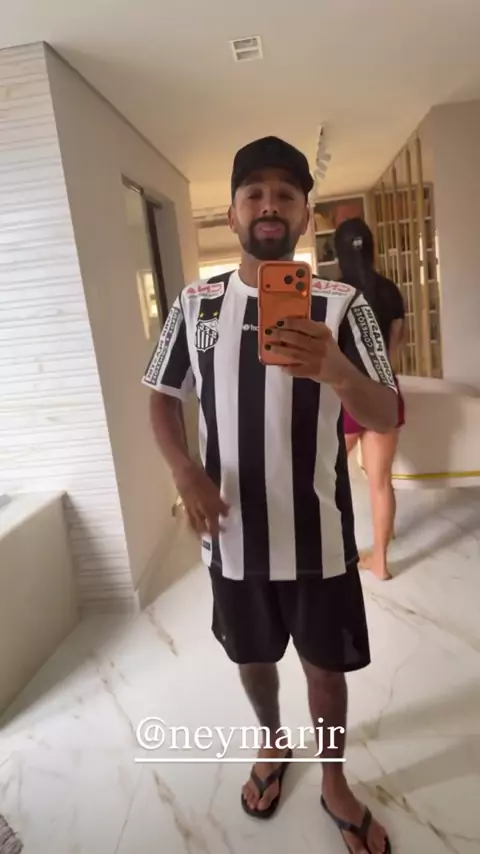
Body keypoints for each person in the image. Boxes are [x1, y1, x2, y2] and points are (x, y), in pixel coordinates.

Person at [142, 136, 398, 854]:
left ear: (305, 216)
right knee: (251, 661)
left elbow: (385, 412)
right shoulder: (196, 305)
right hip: (232, 540)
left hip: (319, 539)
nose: (268, 204)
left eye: (286, 194)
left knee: (327, 670)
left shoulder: (343, 304)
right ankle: (272, 741)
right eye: (253, 192)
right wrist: (185, 471)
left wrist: (338, 371)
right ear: (231, 214)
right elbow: (161, 397)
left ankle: (334, 779)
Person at [334, 218, 406, 581]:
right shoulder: (390, 291)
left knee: (324, 474)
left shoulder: (334, 293)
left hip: (347, 394)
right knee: (380, 481)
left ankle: (329, 551)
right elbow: (395, 345)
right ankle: (380, 562)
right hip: (384, 392)